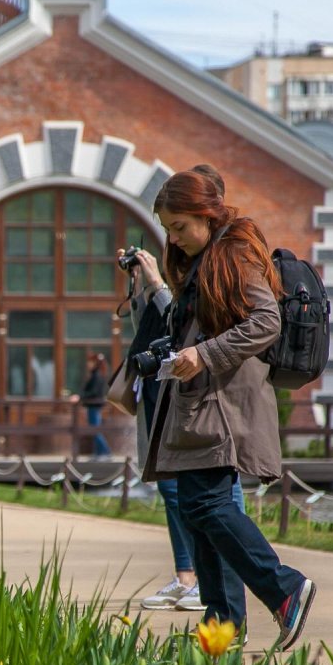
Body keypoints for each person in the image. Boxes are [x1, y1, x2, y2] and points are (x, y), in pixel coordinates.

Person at [142, 166, 316, 651]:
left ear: (206, 214)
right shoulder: (204, 259)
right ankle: (221, 632)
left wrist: (203, 354)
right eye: (168, 230)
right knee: (199, 513)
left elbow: (267, 321)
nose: (173, 239)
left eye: (179, 227)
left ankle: (285, 589)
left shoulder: (235, 251)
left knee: (206, 504)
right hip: (202, 407)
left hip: (224, 409)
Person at [118, 246, 247, 614]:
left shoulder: (206, 279)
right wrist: (142, 286)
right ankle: (186, 575)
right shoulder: (171, 291)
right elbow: (148, 331)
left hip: (194, 404)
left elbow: (181, 329)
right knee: (170, 493)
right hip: (159, 400)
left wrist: (157, 283)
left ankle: (211, 583)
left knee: (198, 496)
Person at [70, 352, 112, 458]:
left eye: (90, 362)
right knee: (94, 430)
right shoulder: (95, 375)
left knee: (95, 430)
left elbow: (94, 392)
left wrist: (81, 397)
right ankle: (98, 453)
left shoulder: (97, 376)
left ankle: (105, 452)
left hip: (94, 406)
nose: (88, 364)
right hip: (92, 406)